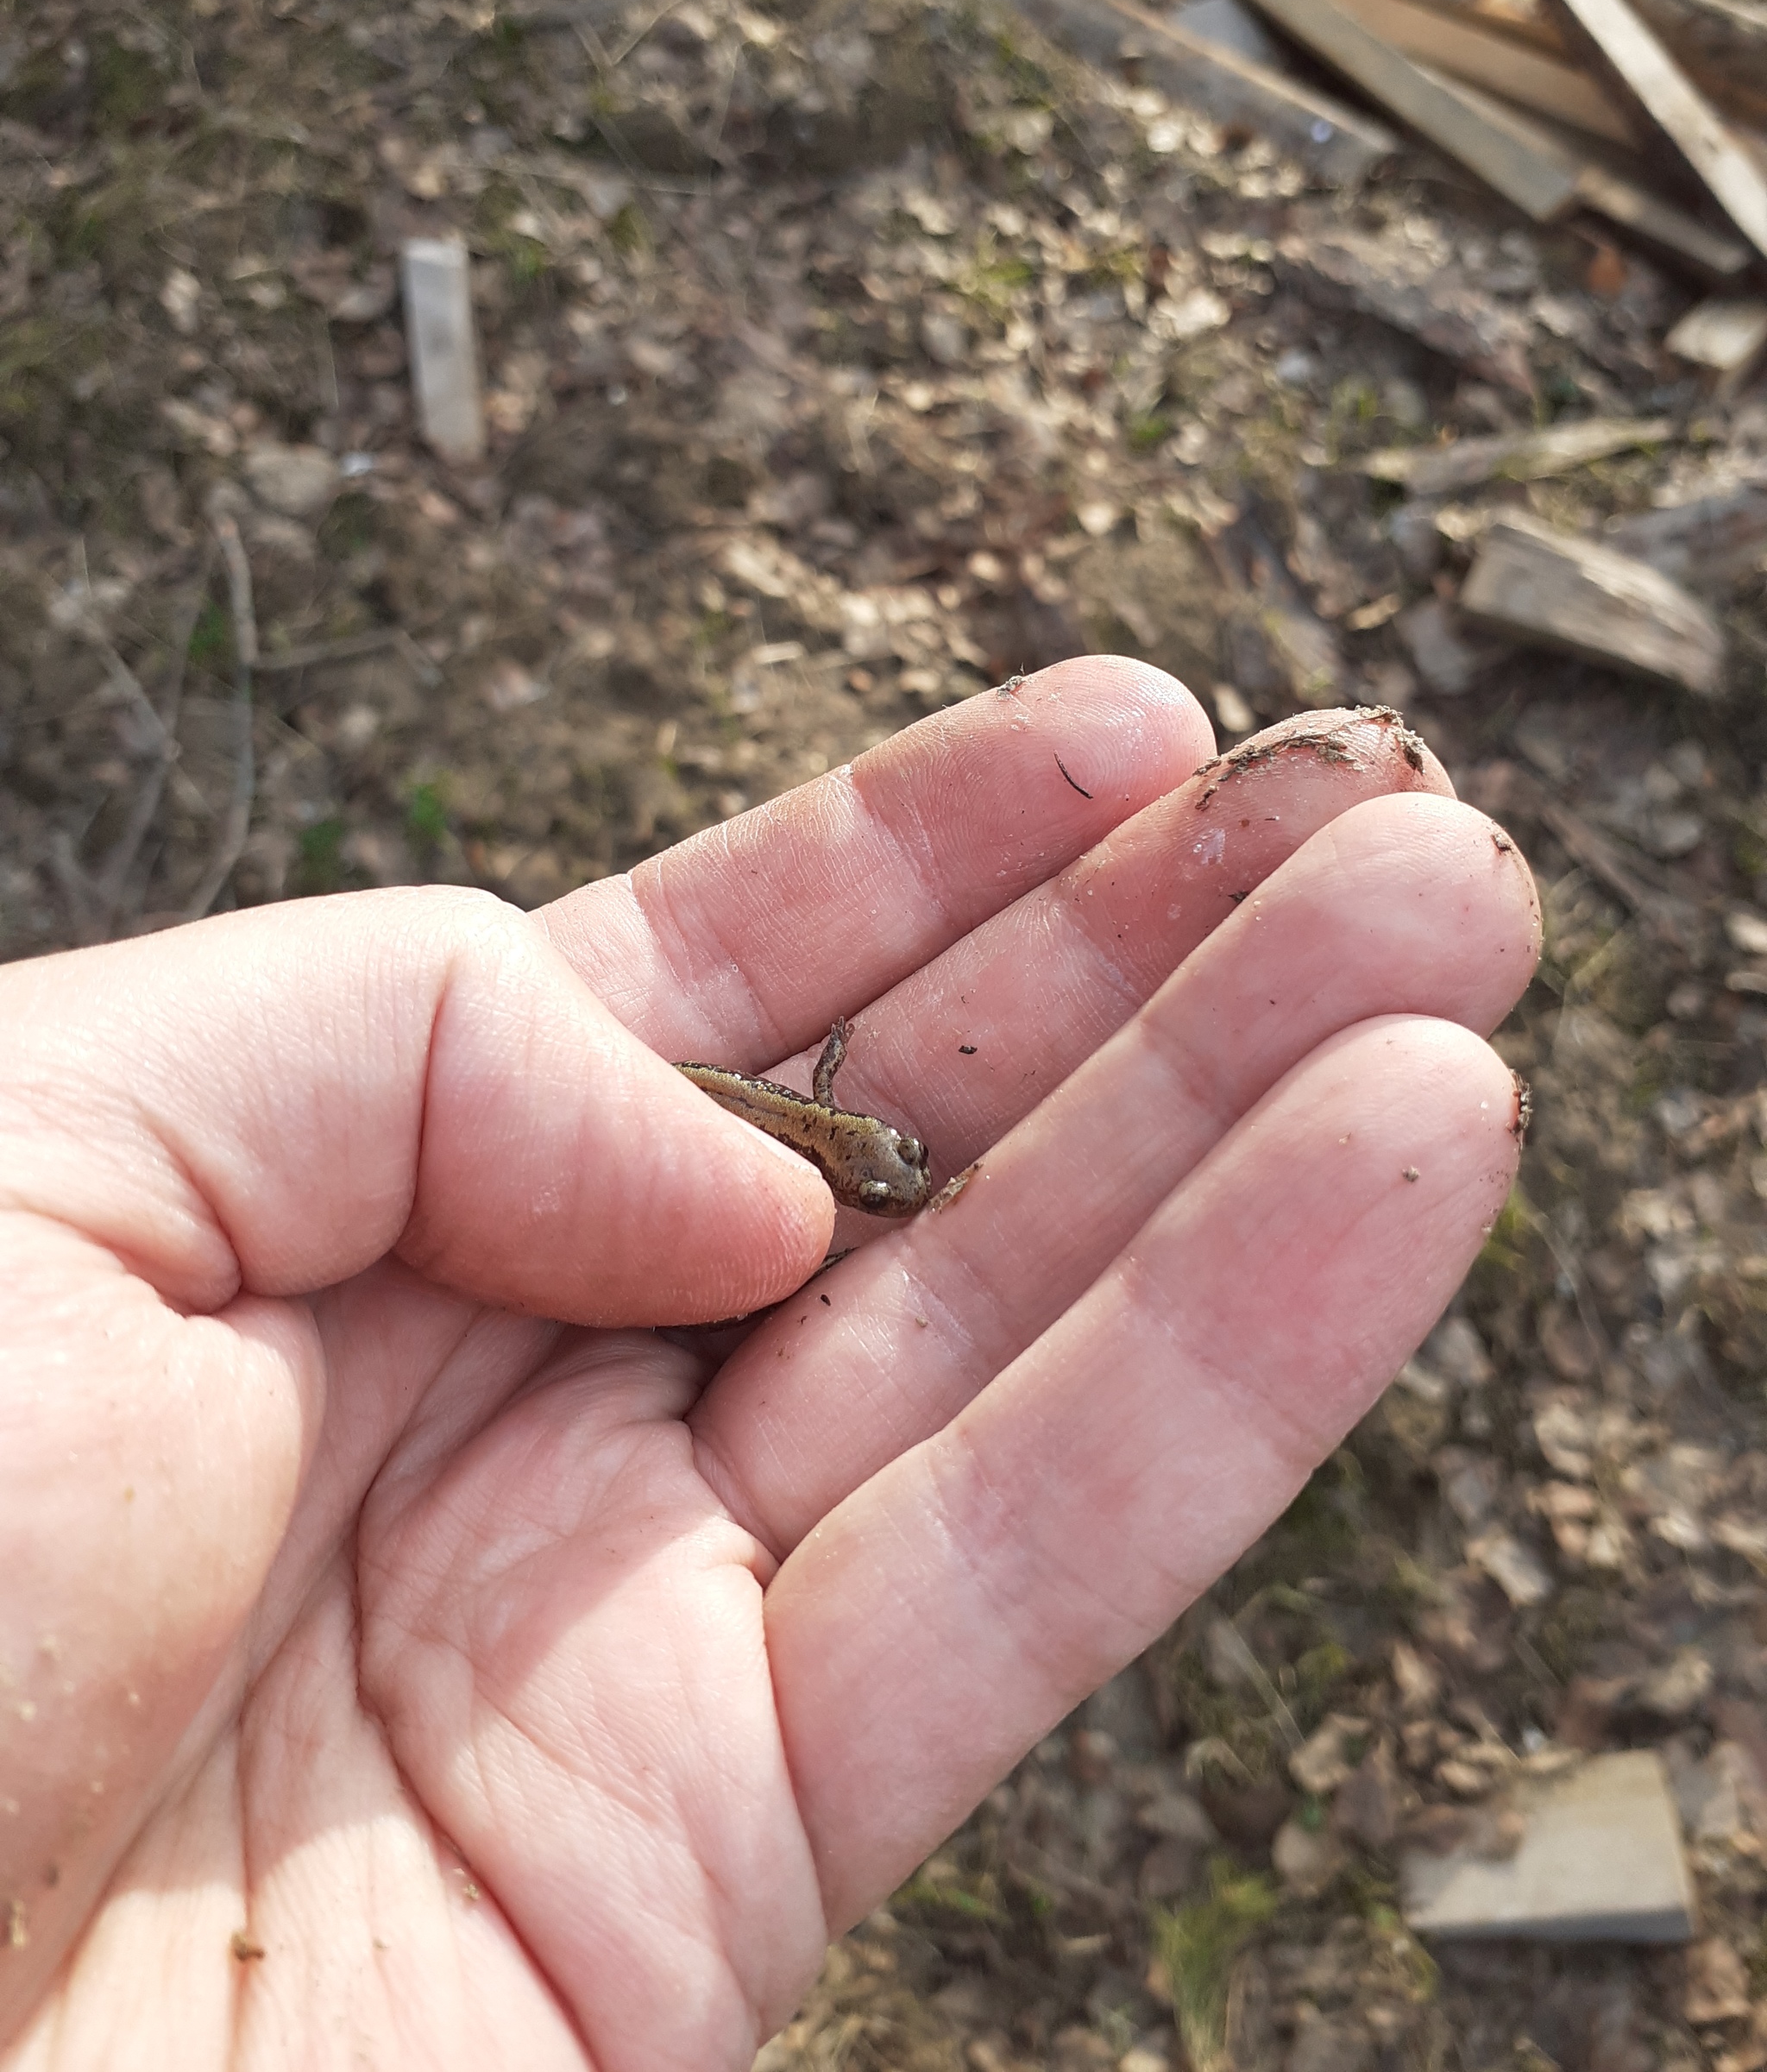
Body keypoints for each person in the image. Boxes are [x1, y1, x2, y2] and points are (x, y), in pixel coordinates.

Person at [0, 658, 1538, 2070]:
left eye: (881, 1178)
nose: (894, 1190)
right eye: (880, 1186)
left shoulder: (817, 1130)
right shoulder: (769, 1144)